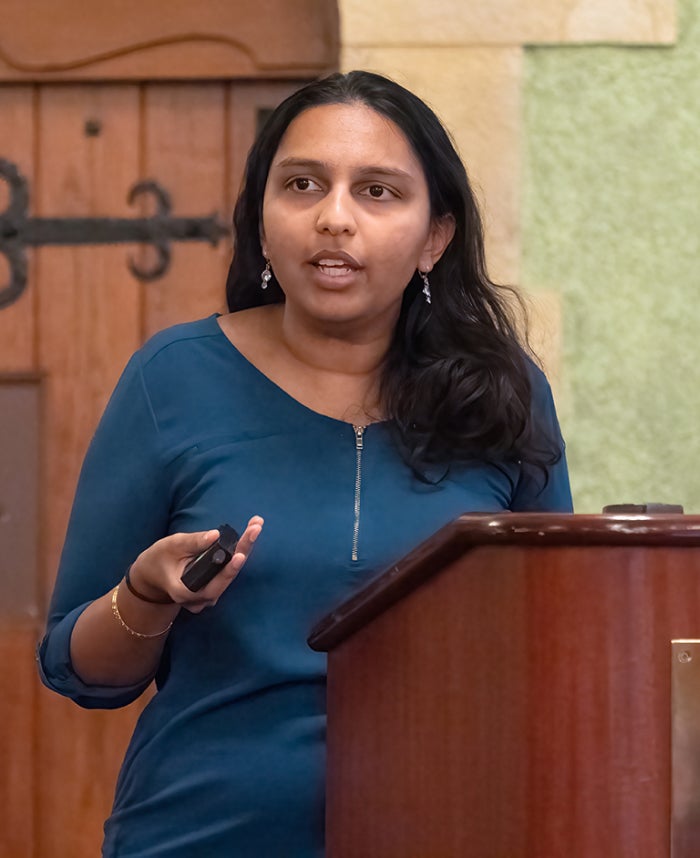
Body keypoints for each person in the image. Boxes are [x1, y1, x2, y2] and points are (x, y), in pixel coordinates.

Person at [37, 70, 573, 857]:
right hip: (201, 834)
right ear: (261, 218)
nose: (334, 219)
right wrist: (146, 595)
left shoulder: (505, 393)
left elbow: (557, 646)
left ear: (436, 237)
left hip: (454, 827)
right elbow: (75, 666)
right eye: (302, 184)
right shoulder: (172, 377)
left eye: (378, 192)